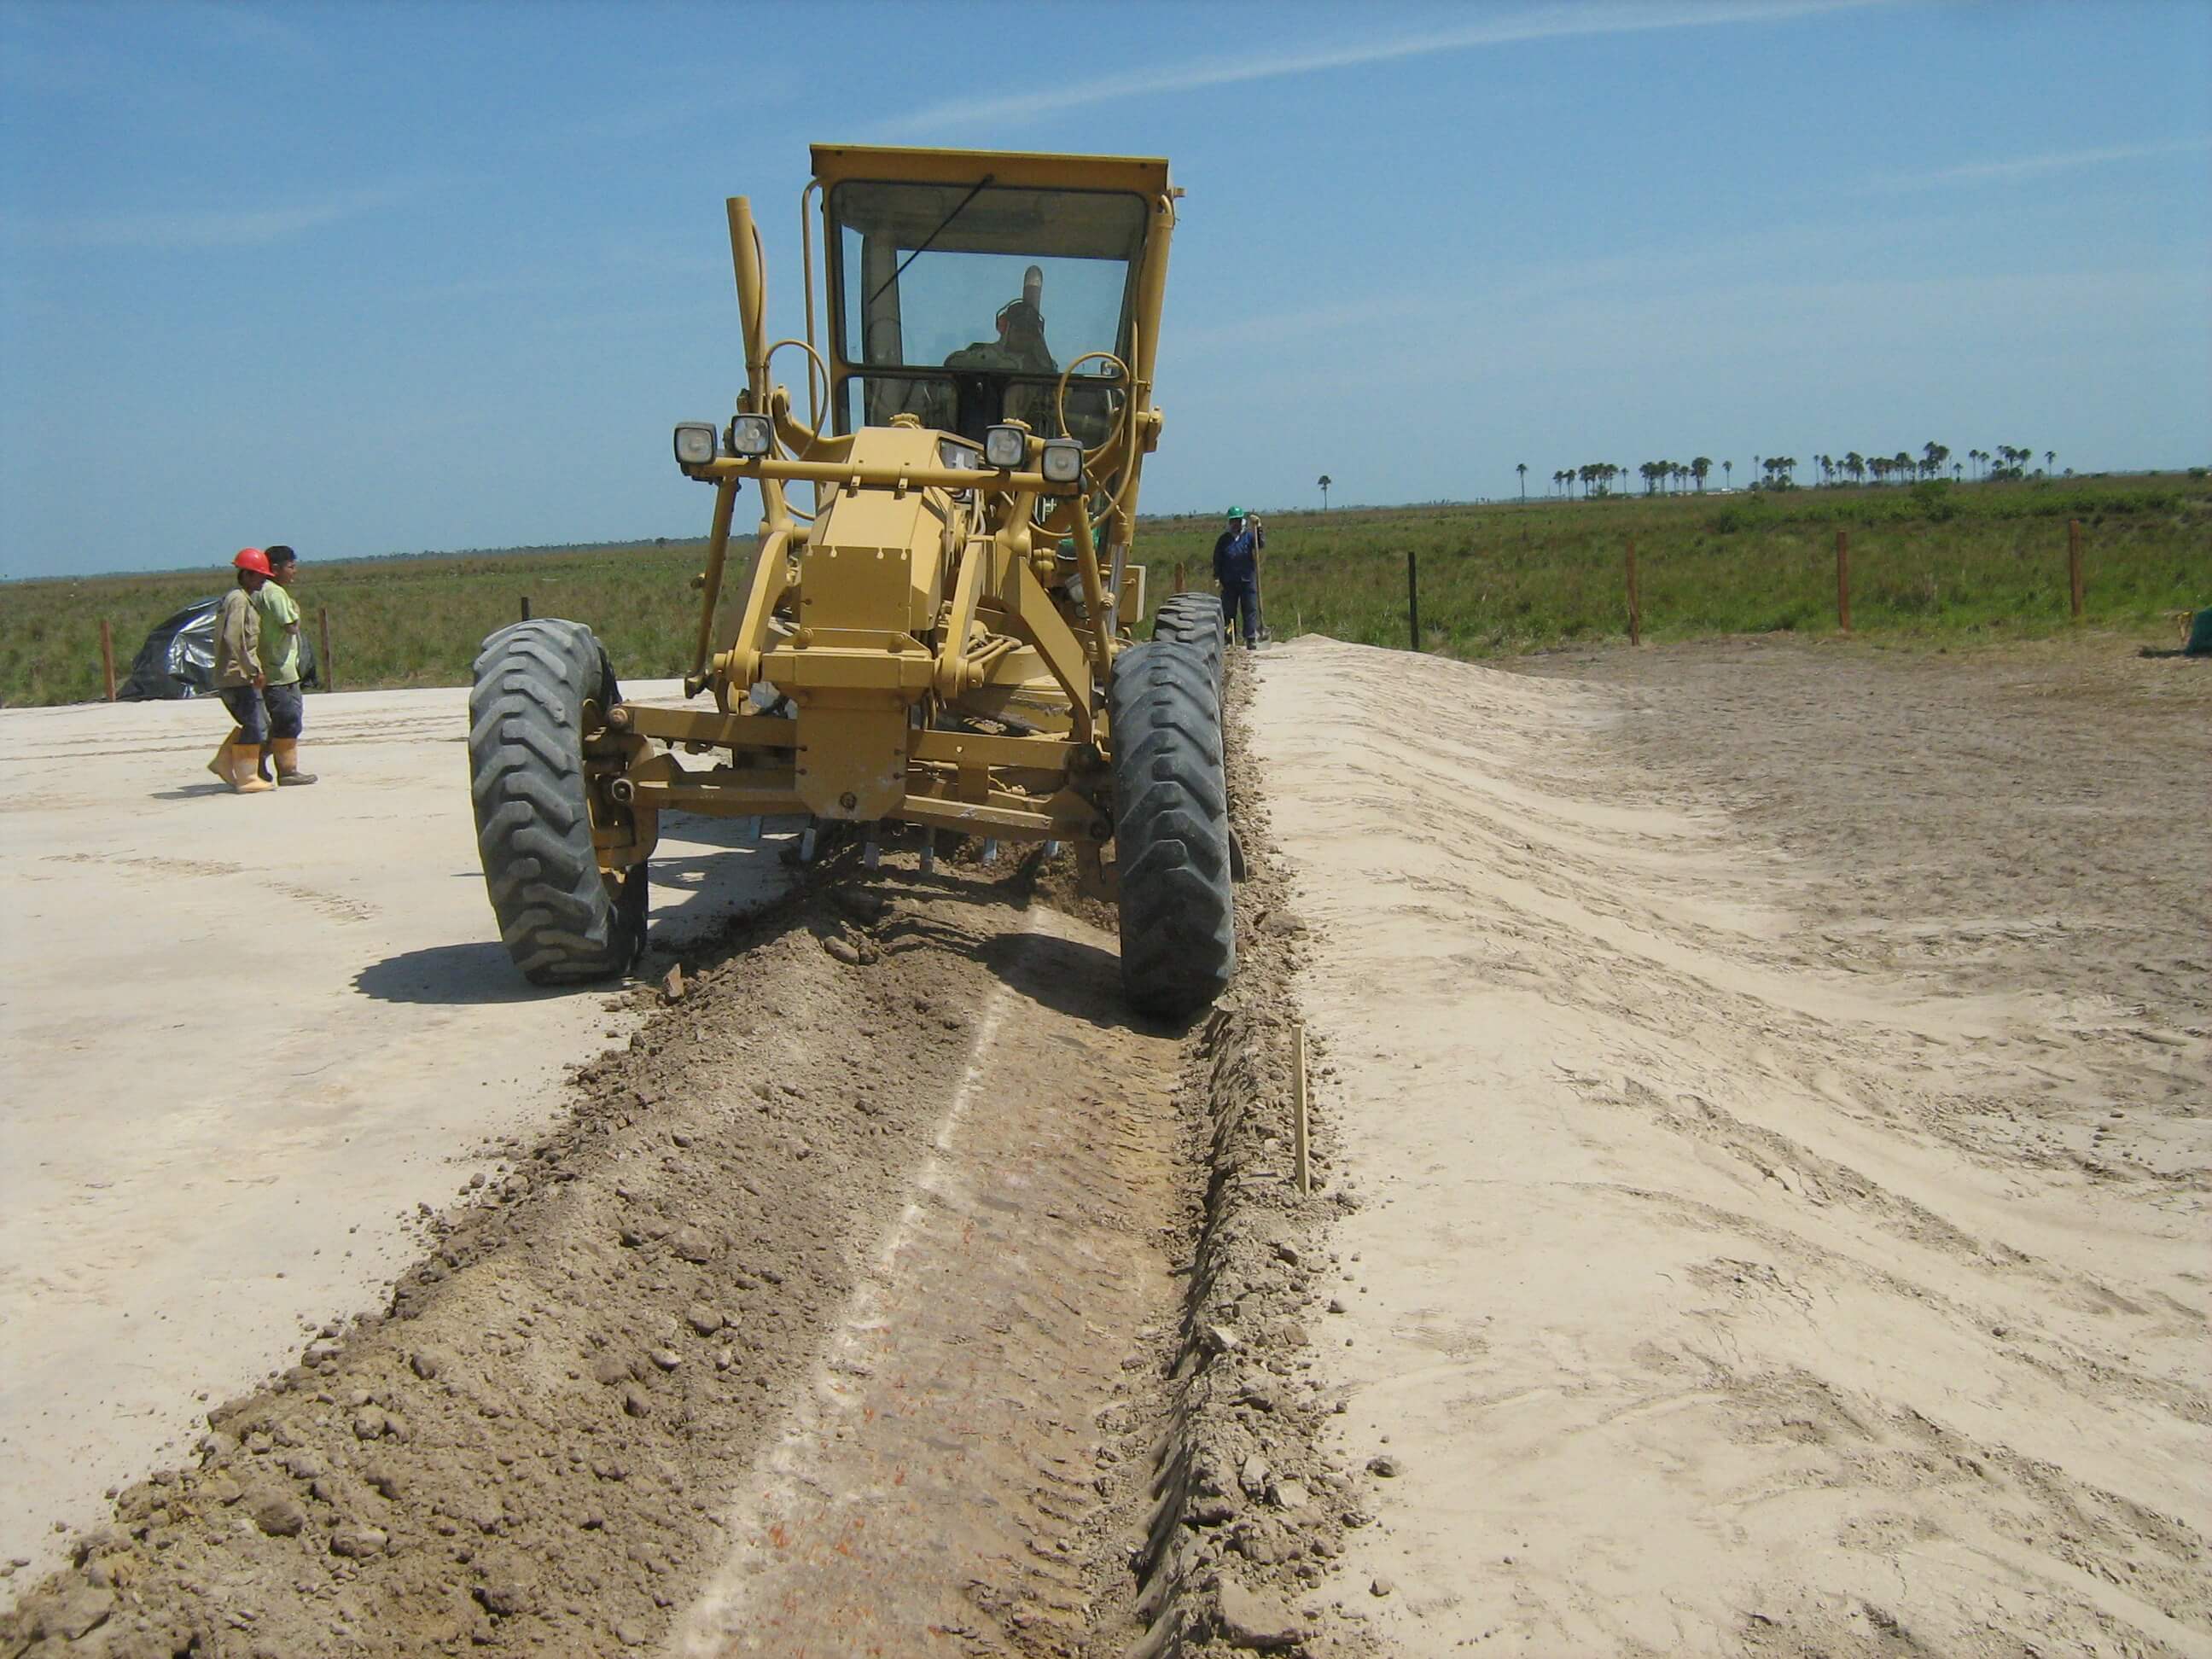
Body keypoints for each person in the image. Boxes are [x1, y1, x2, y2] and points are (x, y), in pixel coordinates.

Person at [209, 548, 275, 795]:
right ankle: (247, 777)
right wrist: (252, 670)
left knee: (259, 724)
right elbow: (233, 638)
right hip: (237, 676)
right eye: (259, 575)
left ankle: (225, 762)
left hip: (238, 675)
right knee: (255, 725)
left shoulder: (241, 598)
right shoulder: (238, 600)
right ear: (246, 575)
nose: (263, 580)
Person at [253, 545, 317, 784]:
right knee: (287, 720)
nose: (294, 571)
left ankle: (258, 763)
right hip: (279, 671)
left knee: (281, 721)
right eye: (291, 566)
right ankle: (286, 770)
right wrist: (296, 613)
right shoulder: (274, 593)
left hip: (275, 668)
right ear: (276, 569)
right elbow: (290, 625)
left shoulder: (261, 592)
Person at [1212, 507, 1266, 649]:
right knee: (1229, 611)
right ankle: (1229, 639)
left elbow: (1260, 544)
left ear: (1242, 521)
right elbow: (1217, 559)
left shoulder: (1249, 536)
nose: (1235, 523)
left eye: (1237, 520)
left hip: (1247, 579)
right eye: (1232, 521)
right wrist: (1217, 576)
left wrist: (1259, 527)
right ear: (1229, 522)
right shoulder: (1224, 540)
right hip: (1229, 581)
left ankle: (1250, 638)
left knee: (1250, 609)